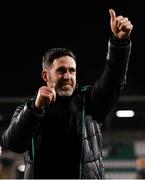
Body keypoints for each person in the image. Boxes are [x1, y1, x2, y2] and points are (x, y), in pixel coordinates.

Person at [2, 9, 133, 179]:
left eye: (72, 71)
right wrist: (35, 108)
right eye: (61, 71)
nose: (68, 76)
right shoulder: (30, 108)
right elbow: (13, 143)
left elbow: (113, 81)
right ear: (45, 75)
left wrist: (119, 43)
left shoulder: (90, 102)